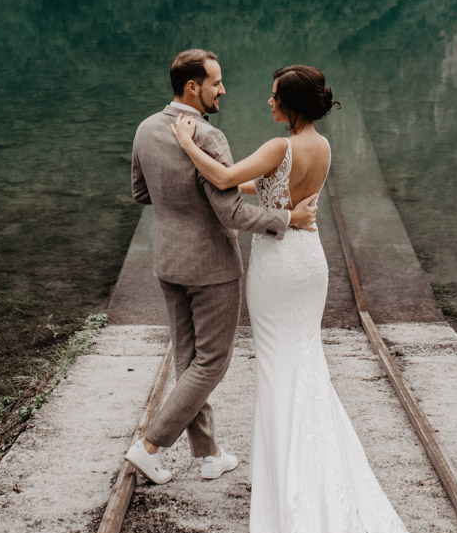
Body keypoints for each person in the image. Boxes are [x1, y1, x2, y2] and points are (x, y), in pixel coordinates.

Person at [172, 63, 446, 533]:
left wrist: (184, 142)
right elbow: (259, 185)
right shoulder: (317, 146)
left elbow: (224, 179)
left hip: (277, 266)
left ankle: (286, 491)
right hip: (310, 261)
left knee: (278, 369)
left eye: (274, 95)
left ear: (290, 105)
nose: (267, 100)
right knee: (305, 365)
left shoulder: (278, 145)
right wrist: (236, 181)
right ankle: (307, 471)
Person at [125, 49, 319, 486]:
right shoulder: (209, 139)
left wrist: (180, 205)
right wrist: (288, 220)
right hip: (211, 267)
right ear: (193, 87)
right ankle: (150, 445)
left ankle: (209, 453)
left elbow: (140, 194)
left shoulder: (145, 129)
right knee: (211, 363)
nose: (223, 89)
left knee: (188, 360)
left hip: (168, 262)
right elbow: (233, 215)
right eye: (216, 82)